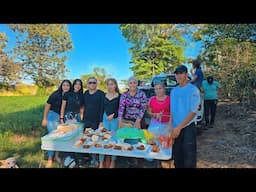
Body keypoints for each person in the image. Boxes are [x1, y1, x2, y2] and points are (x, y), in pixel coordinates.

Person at [170, 65, 200, 168]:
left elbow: (193, 112)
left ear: (186, 75)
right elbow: (172, 112)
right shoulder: (173, 91)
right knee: (177, 159)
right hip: (175, 129)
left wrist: (179, 127)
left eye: (181, 73)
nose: (178, 76)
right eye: (177, 74)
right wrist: (171, 129)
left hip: (188, 128)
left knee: (189, 159)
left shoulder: (193, 90)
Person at [41, 79, 72, 168]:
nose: (66, 87)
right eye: (64, 85)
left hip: (62, 117)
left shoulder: (69, 96)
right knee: (52, 137)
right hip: (52, 116)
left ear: (70, 87)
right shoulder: (55, 94)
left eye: (68, 85)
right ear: (61, 86)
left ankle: (56, 155)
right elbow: (47, 106)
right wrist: (44, 119)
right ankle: (50, 159)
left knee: (60, 136)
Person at [118, 76, 147, 167]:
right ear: (128, 84)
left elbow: (143, 108)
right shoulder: (124, 95)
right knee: (129, 141)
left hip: (139, 120)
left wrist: (138, 121)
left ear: (137, 83)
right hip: (128, 121)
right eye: (130, 83)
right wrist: (120, 122)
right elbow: (121, 108)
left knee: (139, 141)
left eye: (134, 82)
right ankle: (130, 162)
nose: (133, 84)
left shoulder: (142, 94)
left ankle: (139, 161)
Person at [147, 81, 173, 168]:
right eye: (156, 89)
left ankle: (165, 162)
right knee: (153, 143)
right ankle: (156, 163)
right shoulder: (152, 99)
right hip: (154, 125)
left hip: (166, 125)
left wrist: (170, 126)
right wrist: (154, 114)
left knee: (165, 145)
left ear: (164, 89)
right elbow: (149, 112)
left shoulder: (170, 99)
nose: (158, 90)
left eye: (160, 88)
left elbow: (173, 113)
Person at [59, 79, 84, 163]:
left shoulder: (81, 95)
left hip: (77, 117)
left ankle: (76, 154)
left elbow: (81, 107)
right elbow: (63, 106)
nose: (77, 86)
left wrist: (81, 116)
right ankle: (69, 156)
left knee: (77, 136)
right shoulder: (67, 94)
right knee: (69, 135)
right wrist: (62, 118)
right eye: (76, 84)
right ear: (73, 85)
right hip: (68, 116)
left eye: (79, 84)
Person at [82, 77, 105, 167]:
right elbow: (84, 106)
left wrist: (101, 121)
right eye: (90, 82)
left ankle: (97, 159)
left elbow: (102, 108)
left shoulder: (101, 94)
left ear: (96, 84)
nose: (92, 84)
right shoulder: (86, 93)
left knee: (96, 139)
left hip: (97, 121)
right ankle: (90, 157)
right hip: (87, 120)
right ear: (87, 84)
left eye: (94, 82)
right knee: (87, 139)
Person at [99, 78, 121, 168]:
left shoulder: (120, 96)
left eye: (112, 84)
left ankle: (113, 161)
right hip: (105, 119)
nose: (110, 86)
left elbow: (121, 109)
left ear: (115, 85)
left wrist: (114, 115)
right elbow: (101, 109)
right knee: (103, 138)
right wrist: (100, 121)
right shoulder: (104, 96)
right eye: (108, 84)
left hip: (115, 120)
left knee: (114, 139)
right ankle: (101, 162)